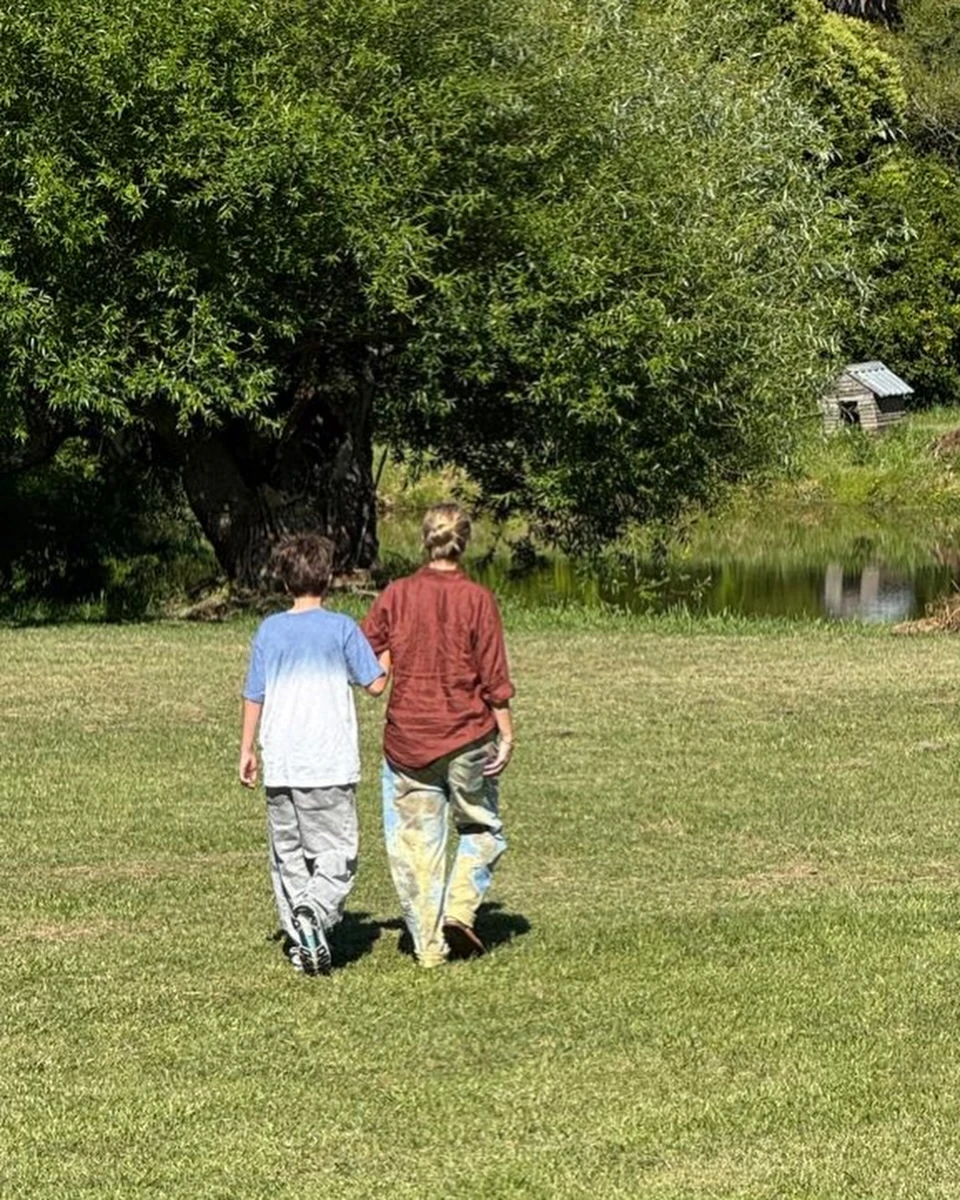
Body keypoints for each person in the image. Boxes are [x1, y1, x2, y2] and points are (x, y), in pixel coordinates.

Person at [362, 503, 515, 968]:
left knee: (416, 849)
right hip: (469, 736)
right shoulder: (478, 599)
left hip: (408, 741)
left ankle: (429, 947)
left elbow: (367, 651)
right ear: (462, 542)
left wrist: (387, 662)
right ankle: (460, 908)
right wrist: (506, 733)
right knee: (482, 829)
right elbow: (493, 675)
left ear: (425, 540)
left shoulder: (397, 593)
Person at [239, 533, 386, 976]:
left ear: (284, 582)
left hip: (281, 763)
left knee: (288, 856)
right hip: (329, 765)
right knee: (337, 852)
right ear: (328, 579)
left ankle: (301, 941)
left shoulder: (270, 630)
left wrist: (247, 748)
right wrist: (391, 656)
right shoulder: (342, 628)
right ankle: (315, 914)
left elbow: (255, 692)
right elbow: (375, 684)